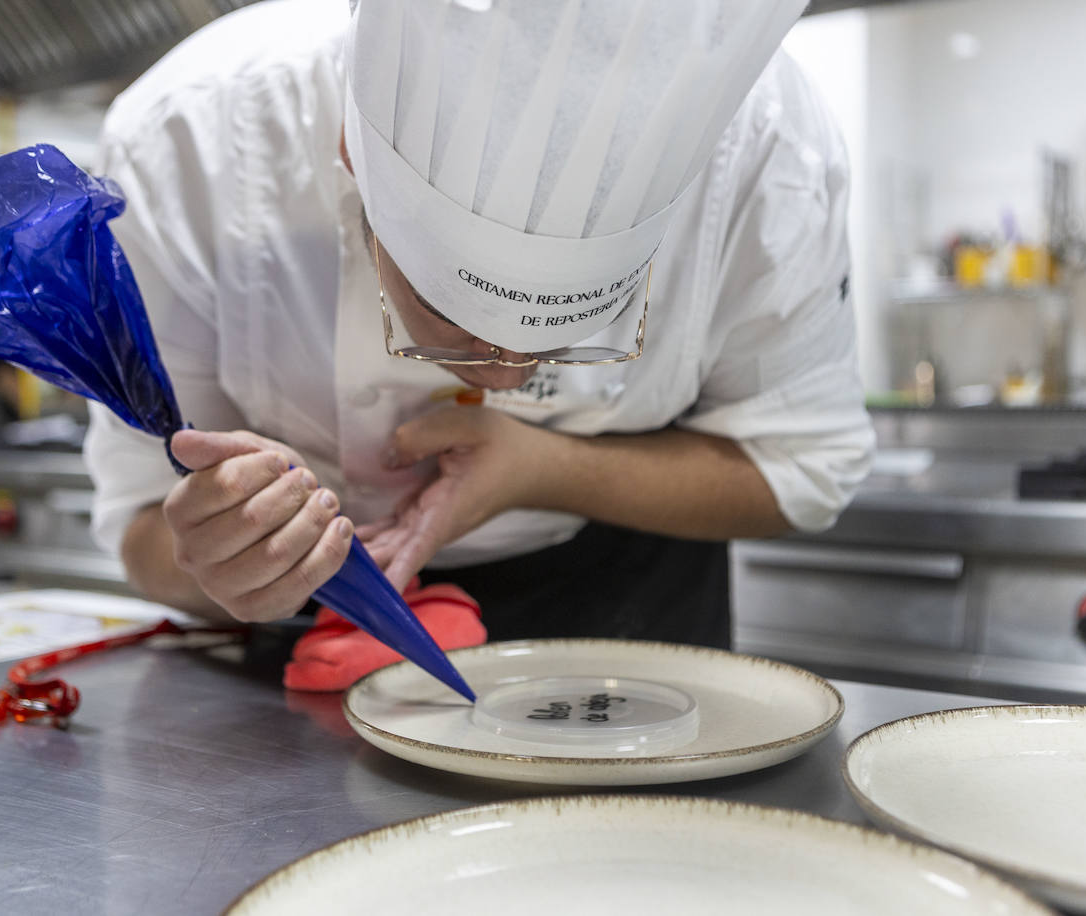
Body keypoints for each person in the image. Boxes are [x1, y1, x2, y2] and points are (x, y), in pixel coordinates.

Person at [83, 0, 875, 649]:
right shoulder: (186, 144)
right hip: (306, 650)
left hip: (627, 616)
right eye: (448, 320)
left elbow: (805, 466)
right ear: (351, 160)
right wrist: (224, 563)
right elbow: (144, 528)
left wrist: (549, 468)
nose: (503, 375)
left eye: (563, 334)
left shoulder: (771, 150)